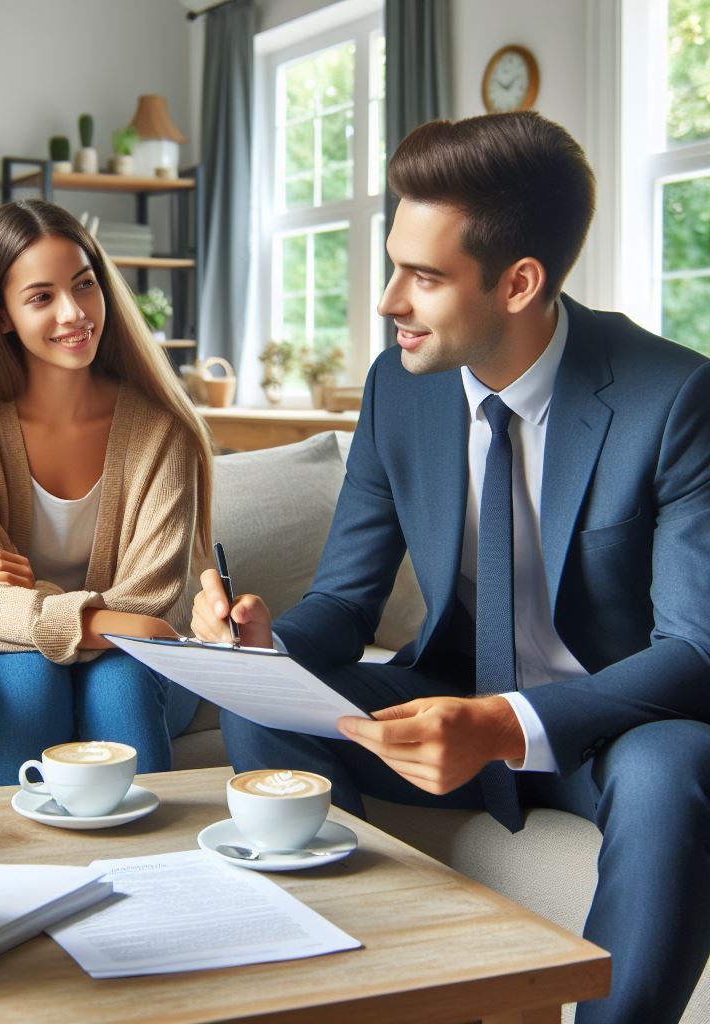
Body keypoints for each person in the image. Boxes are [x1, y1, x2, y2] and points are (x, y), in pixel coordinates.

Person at [192, 112, 710, 1024]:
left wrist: (504, 724)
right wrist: (265, 643)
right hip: (448, 698)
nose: (389, 300)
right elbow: (348, 600)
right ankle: (358, 994)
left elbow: (694, 652)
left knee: (680, 767)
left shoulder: (673, 398)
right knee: (263, 703)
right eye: (395, 264)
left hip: (612, 727)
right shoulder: (401, 385)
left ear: (518, 282)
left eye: (422, 276)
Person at [0, 198, 213, 787]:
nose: (74, 312)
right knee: (29, 677)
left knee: (120, 680)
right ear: (1, 314)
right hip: (16, 658)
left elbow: (153, 613)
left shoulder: (163, 430)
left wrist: (36, 596)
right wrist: (96, 615)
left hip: (145, 667)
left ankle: (160, 874)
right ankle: (19, 870)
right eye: (41, 297)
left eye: (85, 285)